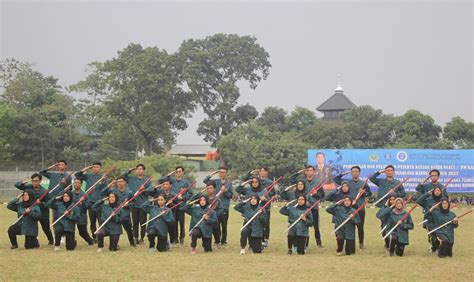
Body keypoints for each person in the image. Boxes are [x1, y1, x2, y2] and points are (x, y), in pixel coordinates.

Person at [333, 166, 372, 249]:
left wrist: (364, 193)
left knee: (360, 226)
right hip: (348, 208)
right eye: (353, 171)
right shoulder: (347, 182)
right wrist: (343, 174)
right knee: (349, 226)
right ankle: (350, 242)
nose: (355, 173)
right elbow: (335, 179)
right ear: (351, 173)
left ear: (359, 172)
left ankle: (361, 243)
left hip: (360, 208)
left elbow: (369, 193)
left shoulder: (363, 183)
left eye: (356, 171)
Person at [289, 165, 324, 248]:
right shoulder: (302, 181)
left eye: (311, 170)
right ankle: (305, 244)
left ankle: (318, 243)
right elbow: (291, 179)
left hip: (313, 207)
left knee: (315, 226)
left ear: (314, 172)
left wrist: (316, 193)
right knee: (304, 225)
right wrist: (298, 173)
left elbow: (322, 195)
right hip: (303, 208)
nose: (309, 172)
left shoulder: (317, 183)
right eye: (307, 170)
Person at [14, 173, 54, 245]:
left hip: (42, 213)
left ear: (40, 181)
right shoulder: (28, 187)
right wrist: (22, 182)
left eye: (36, 181)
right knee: (31, 227)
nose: (34, 182)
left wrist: (40, 203)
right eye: (32, 181)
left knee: (46, 228)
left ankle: (51, 239)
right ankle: (34, 241)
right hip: (31, 212)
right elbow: (17, 185)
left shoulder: (44, 191)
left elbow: (49, 203)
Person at [240, 167, 274, 247]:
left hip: (263, 209)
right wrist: (250, 174)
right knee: (251, 226)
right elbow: (243, 181)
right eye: (261, 171)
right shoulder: (252, 183)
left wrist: (265, 199)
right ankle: (251, 243)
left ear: (266, 172)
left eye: (264, 171)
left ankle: (264, 240)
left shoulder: (269, 182)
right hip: (251, 209)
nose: (262, 172)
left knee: (264, 225)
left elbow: (271, 194)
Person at [159, 166, 192, 245]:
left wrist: (183, 197)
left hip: (181, 205)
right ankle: (175, 238)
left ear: (183, 172)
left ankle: (182, 238)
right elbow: (161, 181)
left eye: (180, 171)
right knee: (174, 222)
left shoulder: (186, 182)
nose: (178, 173)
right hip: (172, 206)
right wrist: (169, 174)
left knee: (181, 223)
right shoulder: (172, 181)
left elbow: (190, 193)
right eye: (176, 171)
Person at [75, 162, 108, 242]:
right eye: (94, 167)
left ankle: (101, 236)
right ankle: (94, 236)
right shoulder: (88, 176)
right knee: (92, 221)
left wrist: (103, 181)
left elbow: (106, 189)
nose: (95, 168)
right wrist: (87, 168)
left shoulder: (103, 177)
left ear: (100, 168)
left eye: (97, 167)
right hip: (90, 203)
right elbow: (77, 175)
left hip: (99, 203)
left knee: (100, 220)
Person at [202, 167, 233, 247]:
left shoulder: (229, 183)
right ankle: (217, 241)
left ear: (226, 173)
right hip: (215, 206)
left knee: (224, 225)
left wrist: (225, 191)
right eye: (220, 172)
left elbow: (230, 195)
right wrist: (212, 174)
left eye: (224, 172)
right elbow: (205, 181)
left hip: (224, 207)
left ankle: (224, 241)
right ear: (219, 173)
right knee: (216, 224)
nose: (222, 174)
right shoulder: (215, 181)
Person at [102, 176, 135, 247]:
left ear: (125, 182)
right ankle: (115, 243)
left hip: (125, 215)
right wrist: (109, 185)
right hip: (115, 215)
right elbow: (102, 193)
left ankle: (132, 242)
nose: (119, 183)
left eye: (121, 181)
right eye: (118, 182)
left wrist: (127, 205)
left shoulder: (129, 193)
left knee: (129, 230)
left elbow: (133, 203)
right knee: (115, 230)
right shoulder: (113, 191)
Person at [123, 164, 151, 244]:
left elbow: (151, 190)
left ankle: (142, 238)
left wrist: (144, 189)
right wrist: (129, 170)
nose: (139, 170)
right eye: (137, 169)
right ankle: (135, 237)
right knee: (135, 222)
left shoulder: (147, 180)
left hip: (143, 205)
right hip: (134, 204)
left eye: (140, 169)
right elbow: (123, 175)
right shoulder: (131, 178)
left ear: (143, 170)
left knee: (143, 222)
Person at [71, 178, 94, 245]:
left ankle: (90, 241)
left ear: (81, 184)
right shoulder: (70, 194)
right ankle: (72, 242)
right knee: (70, 231)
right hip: (72, 215)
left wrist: (83, 202)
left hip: (81, 216)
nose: (76, 184)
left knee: (82, 232)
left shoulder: (85, 195)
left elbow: (88, 205)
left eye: (78, 182)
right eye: (75, 182)